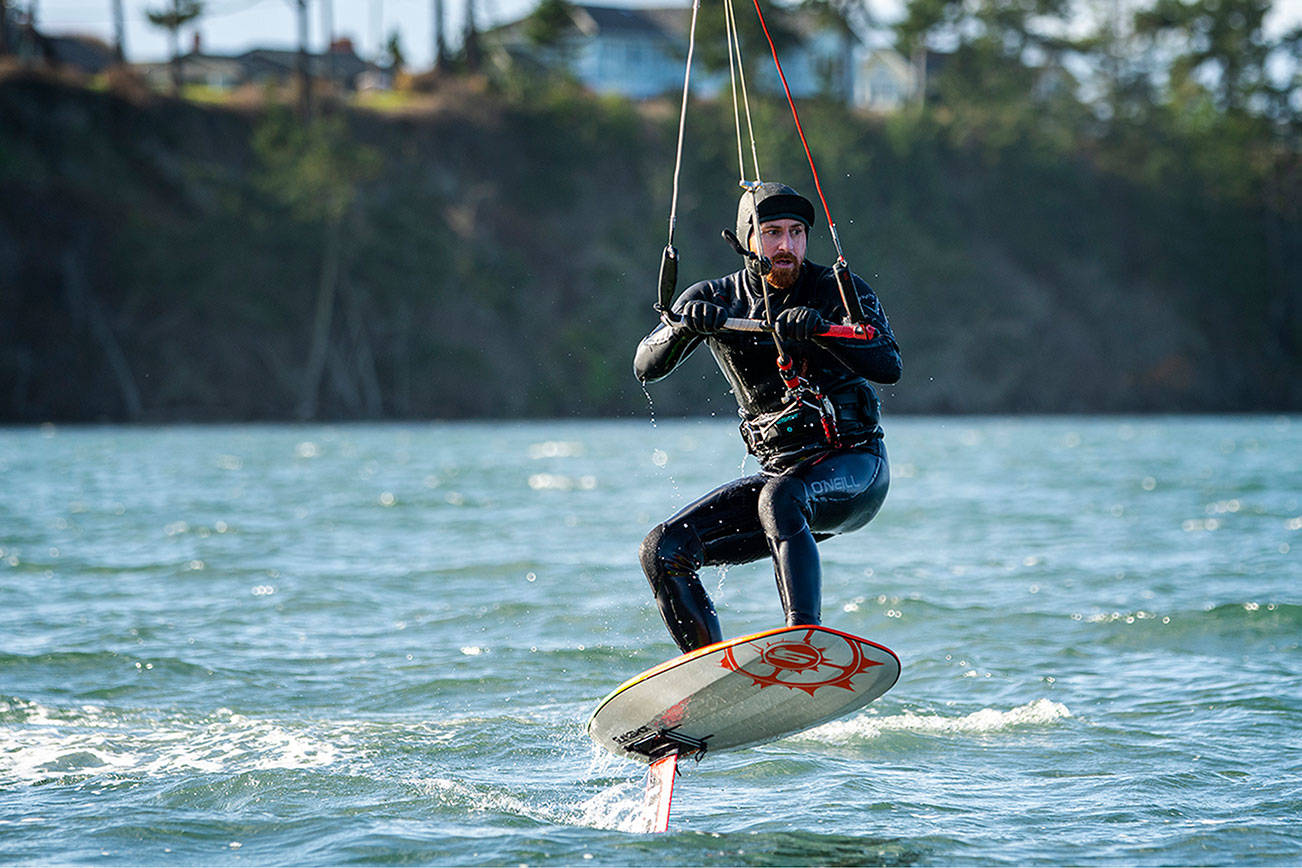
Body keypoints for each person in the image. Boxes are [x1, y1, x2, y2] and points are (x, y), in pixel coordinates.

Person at [634, 182, 902, 654]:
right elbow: (644, 367)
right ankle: (708, 671)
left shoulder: (836, 291)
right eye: (772, 232)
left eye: (796, 233)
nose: (786, 246)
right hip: (782, 485)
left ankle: (805, 641)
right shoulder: (718, 299)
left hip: (856, 468)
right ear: (746, 240)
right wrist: (683, 328)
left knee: (781, 497)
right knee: (663, 549)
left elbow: (889, 365)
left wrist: (823, 332)